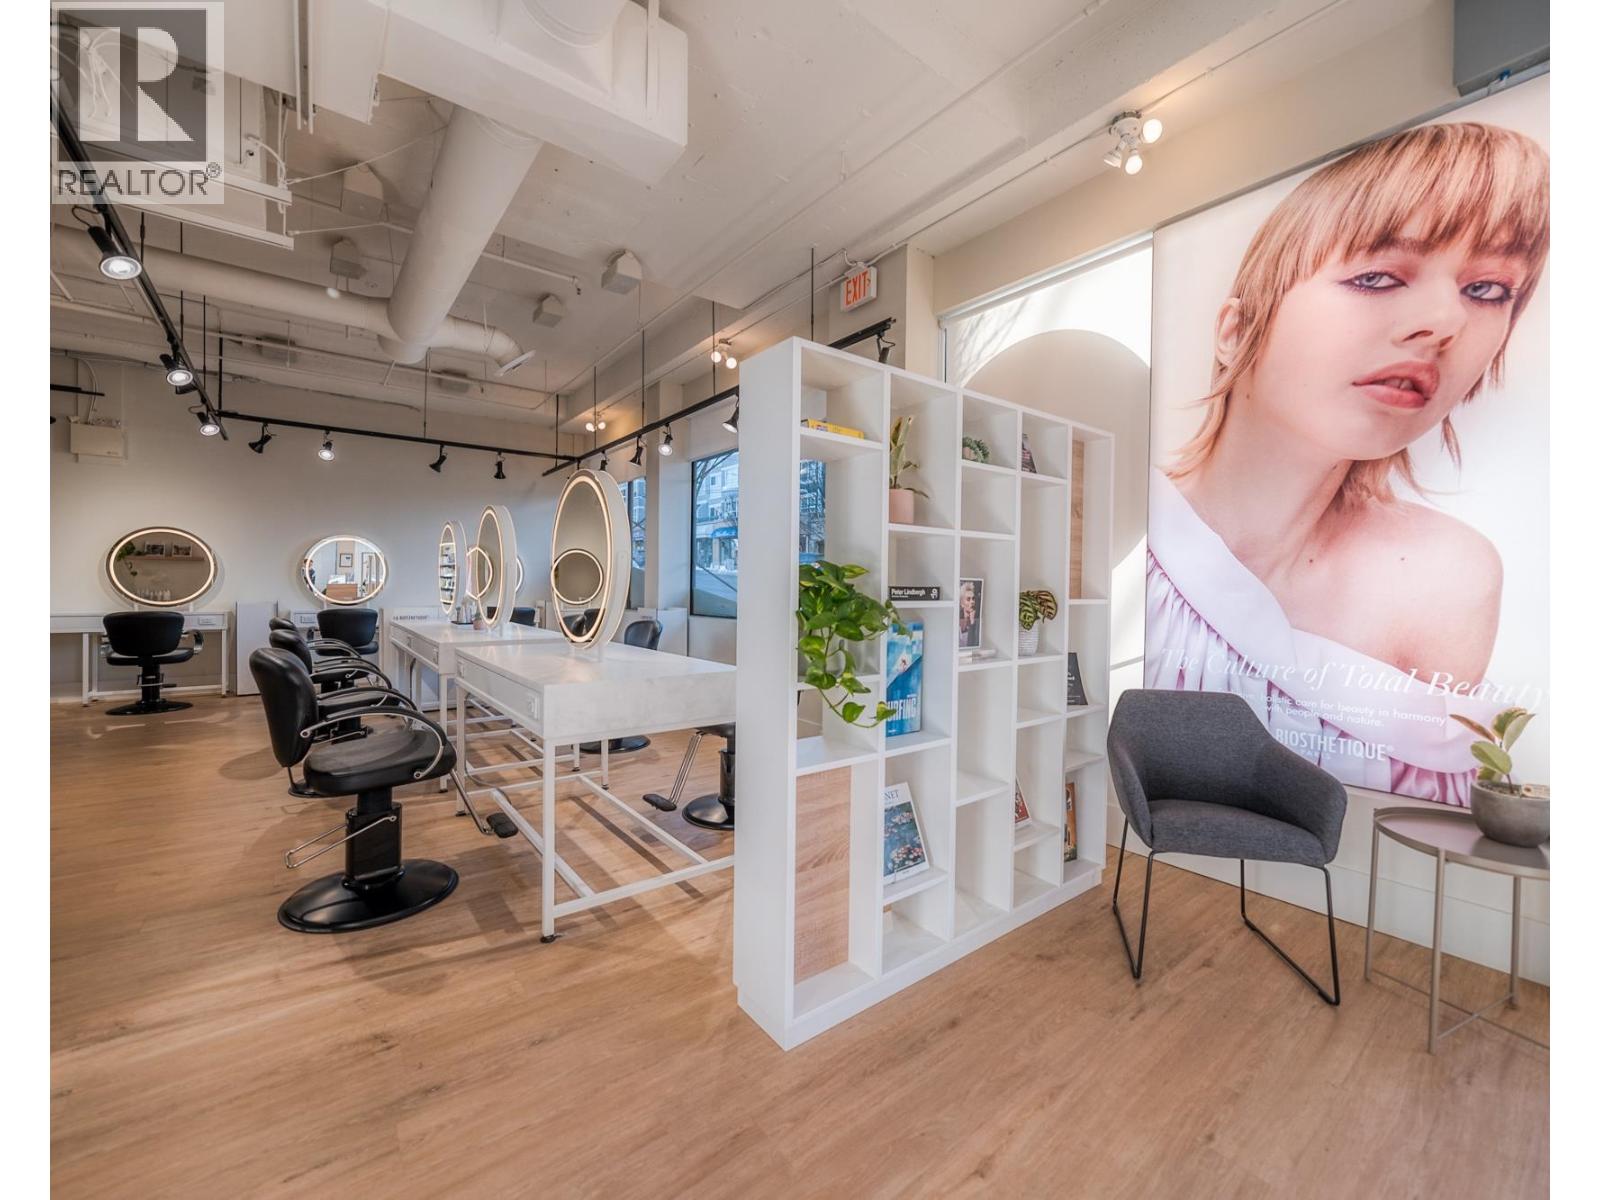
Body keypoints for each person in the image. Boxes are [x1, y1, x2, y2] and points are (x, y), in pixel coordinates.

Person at [1147, 121, 1549, 804]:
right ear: (1237, 330)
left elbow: (1413, 831)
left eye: (1486, 291)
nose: (1444, 324)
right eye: (1377, 276)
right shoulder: (1135, 530)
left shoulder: (1449, 579)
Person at [958, 579, 982, 649]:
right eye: (968, 599)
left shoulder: (977, 623)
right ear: (962, 604)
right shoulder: (957, 623)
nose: (972, 602)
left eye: (973, 599)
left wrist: (972, 622)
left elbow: (973, 646)